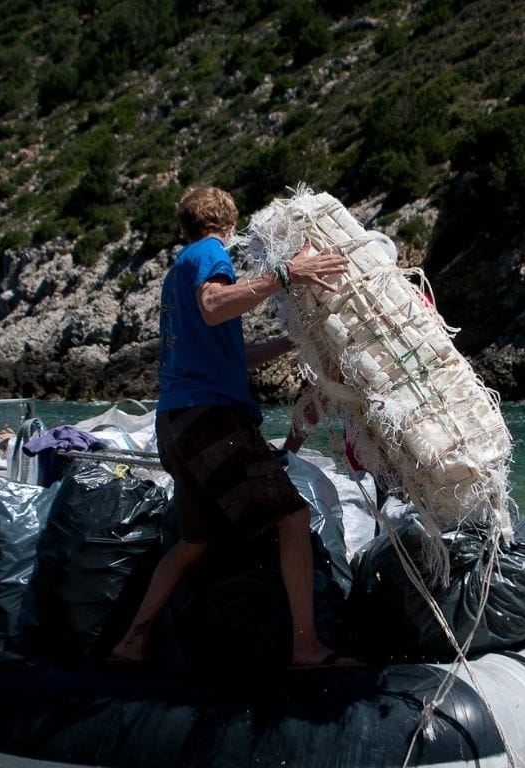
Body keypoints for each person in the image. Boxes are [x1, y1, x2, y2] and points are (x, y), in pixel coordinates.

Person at [111, 185, 352, 667]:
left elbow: (231, 352)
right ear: (229, 225)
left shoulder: (175, 276)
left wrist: (292, 342)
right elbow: (215, 304)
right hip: (212, 420)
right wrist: (287, 272)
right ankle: (305, 646)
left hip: (176, 423)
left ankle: (132, 640)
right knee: (294, 518)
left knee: (194, 540)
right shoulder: (208, 253)